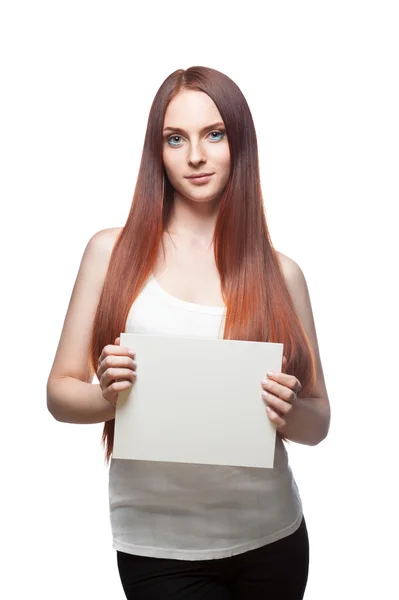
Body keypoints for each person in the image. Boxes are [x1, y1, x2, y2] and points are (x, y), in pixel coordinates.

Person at [47, 66, 331, 599]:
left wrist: (287, 409)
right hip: (159, 546)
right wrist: (108, 398)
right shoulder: (110, 254)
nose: (195, 156)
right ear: (158, 152)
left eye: (214, 134)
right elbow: (60, 393)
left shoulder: (281, 273)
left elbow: (318, 422)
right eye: (175, 139)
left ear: (238, 144)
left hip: (272, 538)